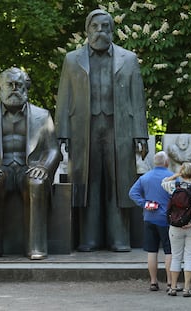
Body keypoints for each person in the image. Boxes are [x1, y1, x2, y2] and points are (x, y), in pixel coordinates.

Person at [55, 9, 148, 252]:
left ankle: (120, 238)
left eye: (105, 26)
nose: (100, 31)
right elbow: (64, 97)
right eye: (95, 26)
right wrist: (62, 132)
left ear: (112, 30)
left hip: (120, 128)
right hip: (83, 129)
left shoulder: (128, 59)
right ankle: (90, 238)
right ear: (87, 31)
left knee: (119, 183)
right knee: (88, 182)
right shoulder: (72, 60)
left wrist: (141, 134)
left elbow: (137, 99)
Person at [0, 67, 61, 260]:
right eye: (9, 85)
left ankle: (36, 247)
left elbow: (53, 150)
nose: (14, 89)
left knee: (36, 182)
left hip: (29, 168)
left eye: (18, 85)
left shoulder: (42, 116)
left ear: (26, 88)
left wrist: (43, 167)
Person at [161, 162, 191, 297]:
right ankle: (187, 289)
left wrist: (176, 175)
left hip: (175, 227)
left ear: (182, 173)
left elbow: (163, 182)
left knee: (176, 256)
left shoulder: (174, 186)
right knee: (190, 257)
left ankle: (173, 288)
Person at [128, 151, 173, 292]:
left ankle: (153, 282)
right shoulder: (171, 177)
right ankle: (170, 283)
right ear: (166, 163)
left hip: (149, 218)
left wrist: (145, 203)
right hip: (167, 219)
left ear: (155, 162)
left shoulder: (145, 177)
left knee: (151, 252)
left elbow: (132, 193)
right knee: (169, 251)